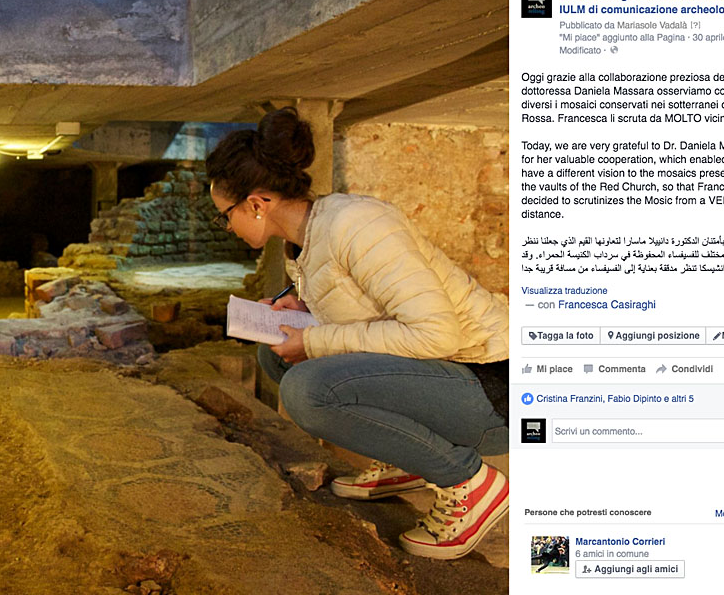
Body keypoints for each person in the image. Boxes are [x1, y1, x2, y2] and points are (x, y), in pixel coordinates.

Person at [206, 107, 510, 560]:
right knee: (276, 354)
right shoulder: (304, 240)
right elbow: (368, 311)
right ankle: (407, 459)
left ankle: (468, 481)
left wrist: (314, 339)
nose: (227, 226)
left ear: (256, 203)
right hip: (443, 375)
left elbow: (436, 334)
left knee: (309, 389)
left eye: (224, 215)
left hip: (494, 385)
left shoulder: (356, 223)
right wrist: (307, 311)